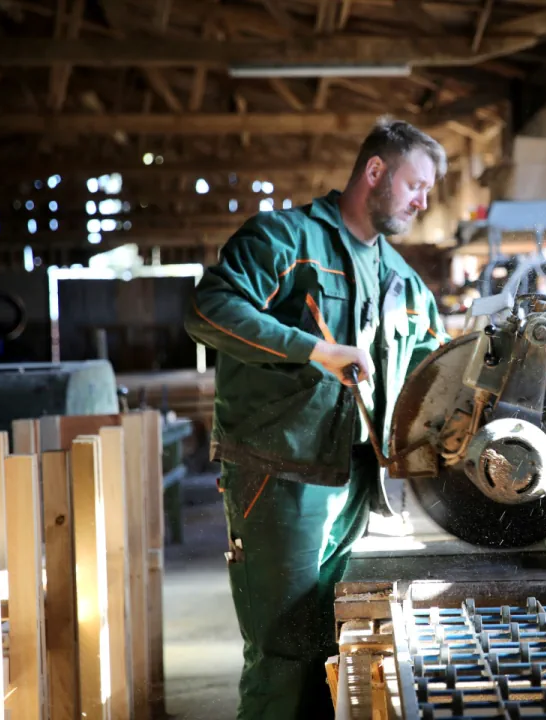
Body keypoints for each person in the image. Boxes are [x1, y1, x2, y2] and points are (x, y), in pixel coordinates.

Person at [184, 117, 450, 719]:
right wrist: (315, 350)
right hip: (277, 478)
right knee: (283, 652)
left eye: (429, 191)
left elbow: (442, 369)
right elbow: (208, 309)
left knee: (331, 645)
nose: (423, 200)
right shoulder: (285, 238)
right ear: (375, 171)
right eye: (416, 183)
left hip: (356, 485)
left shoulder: (401, 282)